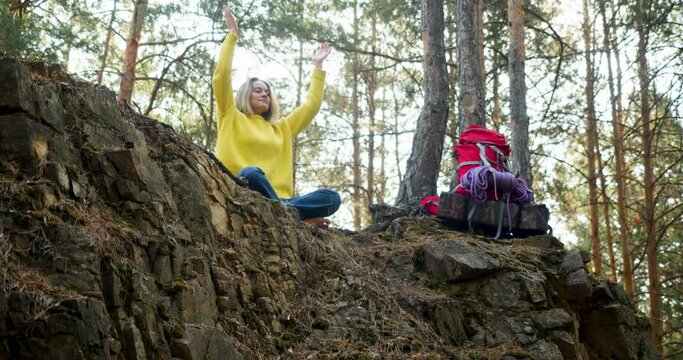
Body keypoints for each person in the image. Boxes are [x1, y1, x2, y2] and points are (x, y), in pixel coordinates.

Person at [212, 5, 341, 229]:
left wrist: (317, 67)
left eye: (267, 92)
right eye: (258, 90)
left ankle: (284, 213)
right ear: (245, 94)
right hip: (240, 189)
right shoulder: (229, 115)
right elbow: (221, 76)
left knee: (331, 198)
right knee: (251, 173)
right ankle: (296, 219)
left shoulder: (282, 128)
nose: (265, 94)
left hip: (281, 200)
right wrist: (232, 36)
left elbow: (311, 106)